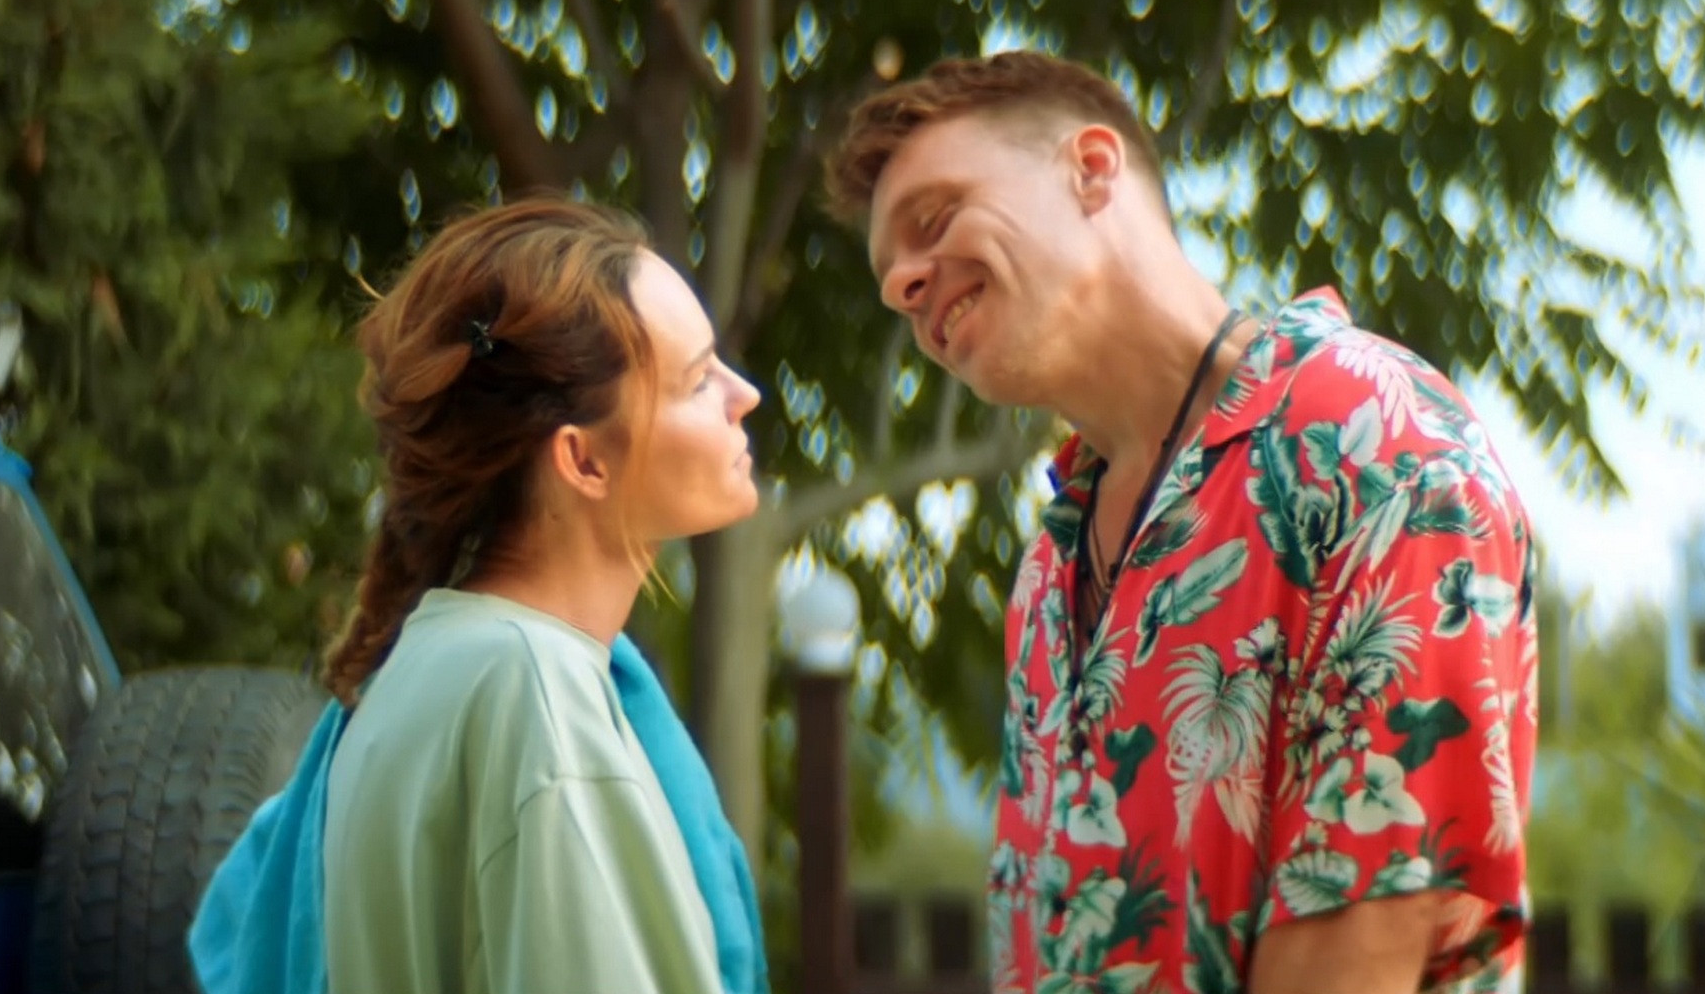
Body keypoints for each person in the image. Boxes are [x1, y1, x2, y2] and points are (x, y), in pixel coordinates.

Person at [827, 51, 1538, 994]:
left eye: (934, 219)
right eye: (890, 277)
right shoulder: (1049, 568)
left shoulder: (1373, 436)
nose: (902, 288)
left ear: (1092, 169)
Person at [186, 197, 770, 994]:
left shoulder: (412, 676)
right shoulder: (535, 693)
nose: (744, 394)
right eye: (698, 380)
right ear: (584, 461)